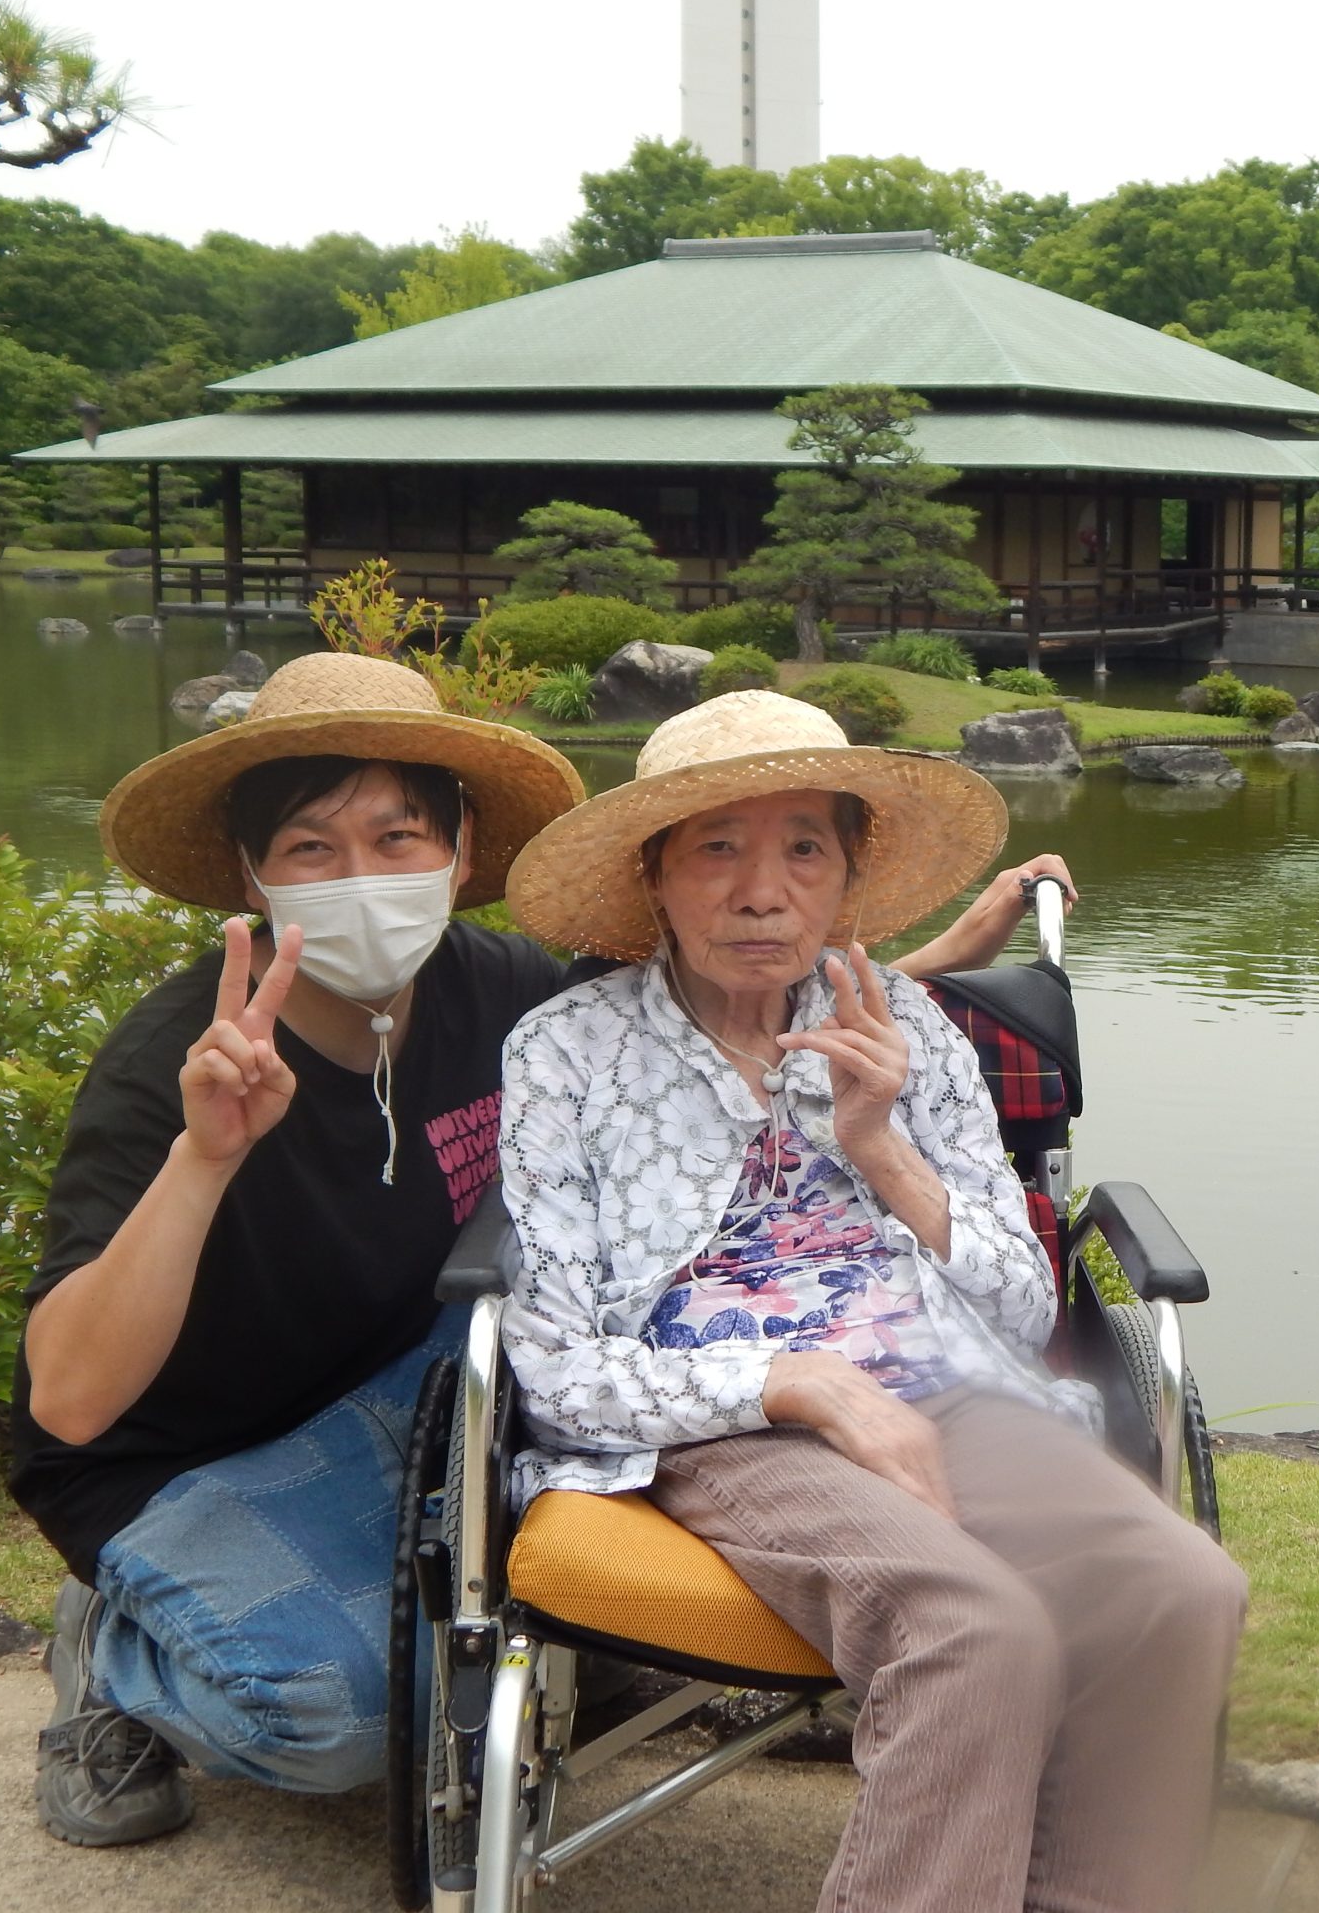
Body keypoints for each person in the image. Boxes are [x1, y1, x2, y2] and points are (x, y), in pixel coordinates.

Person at [9, 651, 1079, 1848]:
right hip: (196, 1449)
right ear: (253, 874)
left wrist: (921, 974)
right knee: (336, 1721)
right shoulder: (181, 1057)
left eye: (398, 836)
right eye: (312, 849)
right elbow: (73, 1400)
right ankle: (113, 1650)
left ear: (461, 851)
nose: (363, 877)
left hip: (423, 1387)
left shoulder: (499, 988)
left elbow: (711, 995)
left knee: (531, 1616)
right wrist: (205, 1158)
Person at [495, 690, 1245, 1913]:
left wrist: (882, 1145)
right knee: (973, 1630)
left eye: (804, 848)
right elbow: (559, 1364)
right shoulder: (563, 1052)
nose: (761, 890)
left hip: (950, 1387)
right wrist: (794, 1380)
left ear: (847, 878)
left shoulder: (914, 1034)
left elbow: (1013, 1307)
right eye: (717, 848)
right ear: (656, 878)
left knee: (1181, 1588)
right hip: (725, 1418)